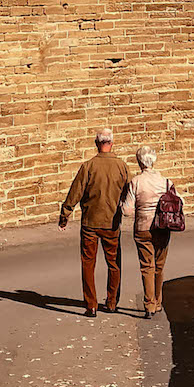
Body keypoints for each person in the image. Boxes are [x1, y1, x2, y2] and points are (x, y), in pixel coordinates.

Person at [58, 127, 130, 316]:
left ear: (96, 144)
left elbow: (75, 192)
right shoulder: (121, 166)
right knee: (114, 263)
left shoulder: (88, 166)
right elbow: (129, 192)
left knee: (88, 263)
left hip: (90, 221)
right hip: (112, 221)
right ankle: (112, 301)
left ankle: (91, 304)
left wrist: (64, 215)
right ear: (112, 143)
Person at [122, 145, 176, 318]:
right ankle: (158, 302)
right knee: (159, 266)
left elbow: (127, 211)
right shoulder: (166, 182)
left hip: (143, 228)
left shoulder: (136, 182)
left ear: (139, 162)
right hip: (163, 227)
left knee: (147, 267)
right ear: (154, 161)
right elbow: (179, 201)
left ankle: (149, 305)